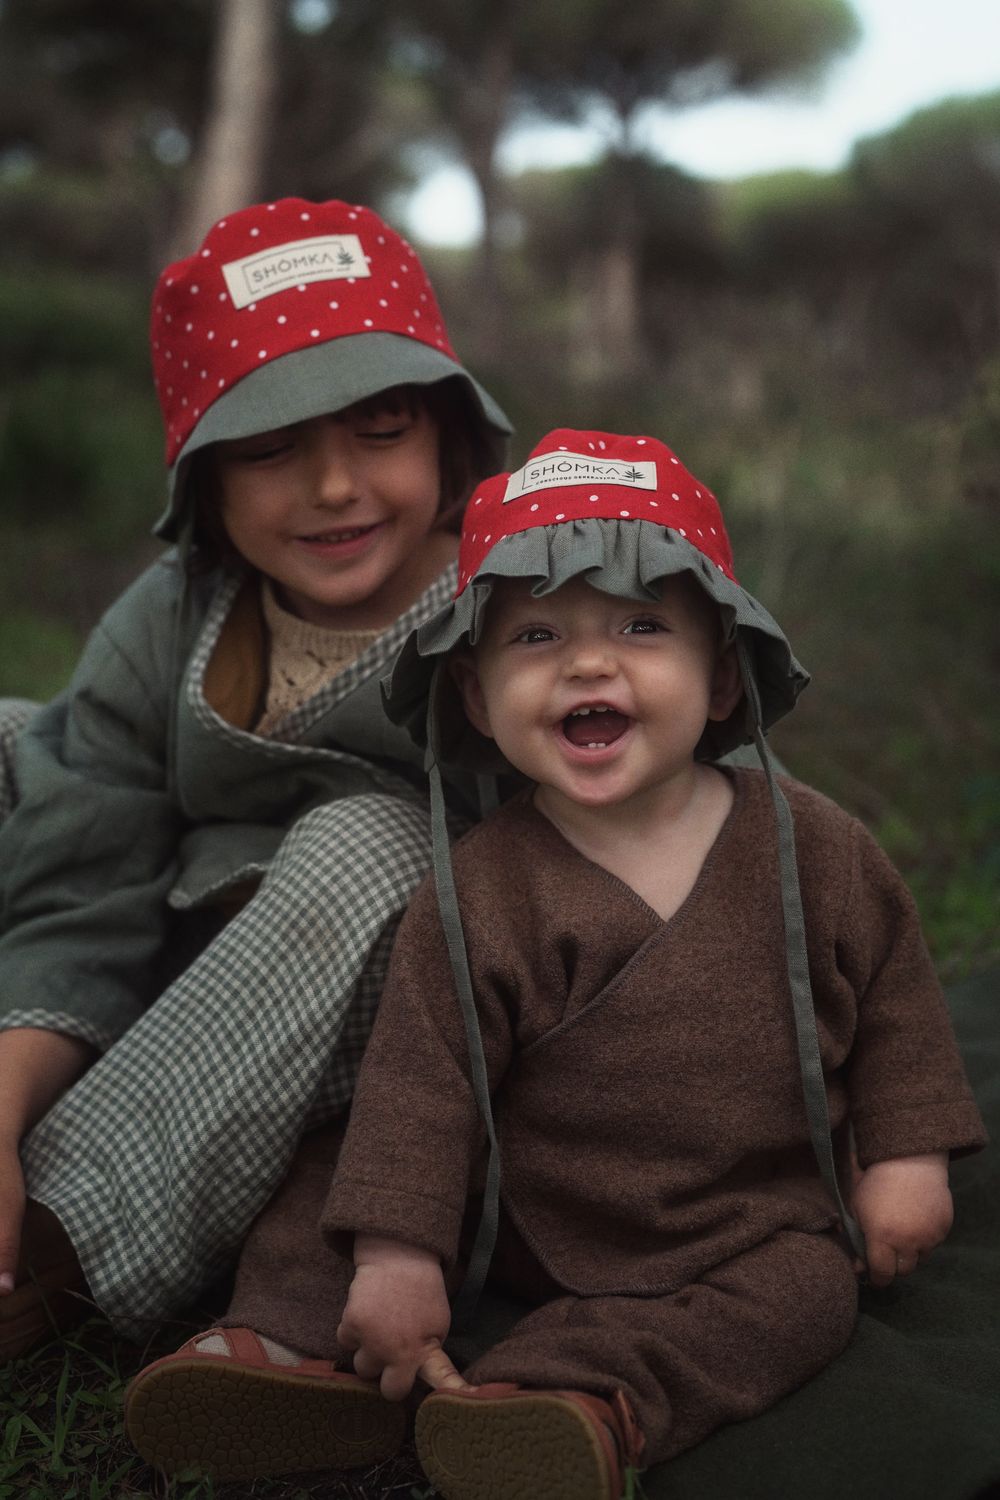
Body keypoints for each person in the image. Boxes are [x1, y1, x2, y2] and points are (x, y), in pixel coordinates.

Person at [123, 428, 986, 1496]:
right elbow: (423, 1085)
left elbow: (898, 1007)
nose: (588, 662)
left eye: (640, 625)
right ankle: (288, 1350)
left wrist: (906, 1155)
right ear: (478, 700)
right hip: (514, 1207)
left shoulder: (818, 850)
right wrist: (399, 1254)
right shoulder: (482, 884)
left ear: (721, 678)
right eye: (534, 635)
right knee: (336, 1169)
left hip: (738, 1217)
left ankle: (575, 1398)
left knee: (809, 1290)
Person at [0, 195, 513, 1364]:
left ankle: (65, 1236)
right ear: (209, 486)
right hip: (161, 961)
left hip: (384, 1041)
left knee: (369, 843)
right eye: (273, 447)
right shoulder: (180, 611)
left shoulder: (513, 614)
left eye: (379, 427)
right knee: (13, 735)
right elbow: (83, 865)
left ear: (445, 437)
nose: (333, 487)